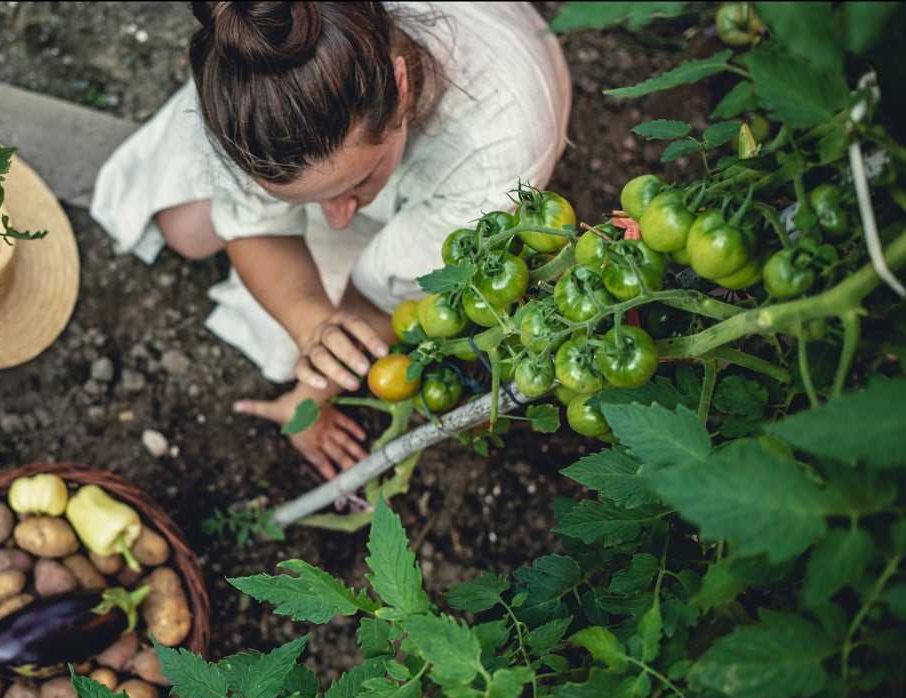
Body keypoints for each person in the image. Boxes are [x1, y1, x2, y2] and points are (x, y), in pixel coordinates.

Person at [91, 2, 571, 480]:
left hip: (471, 156)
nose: (340, 219)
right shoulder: (248, 97)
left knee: (308, 329)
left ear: (401, 88)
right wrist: (311, 322)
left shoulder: (495, 152)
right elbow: (257, 228)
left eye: (357, 184)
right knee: (186, 231)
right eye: (315, 197)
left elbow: (382, 300)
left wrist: (310, 394)